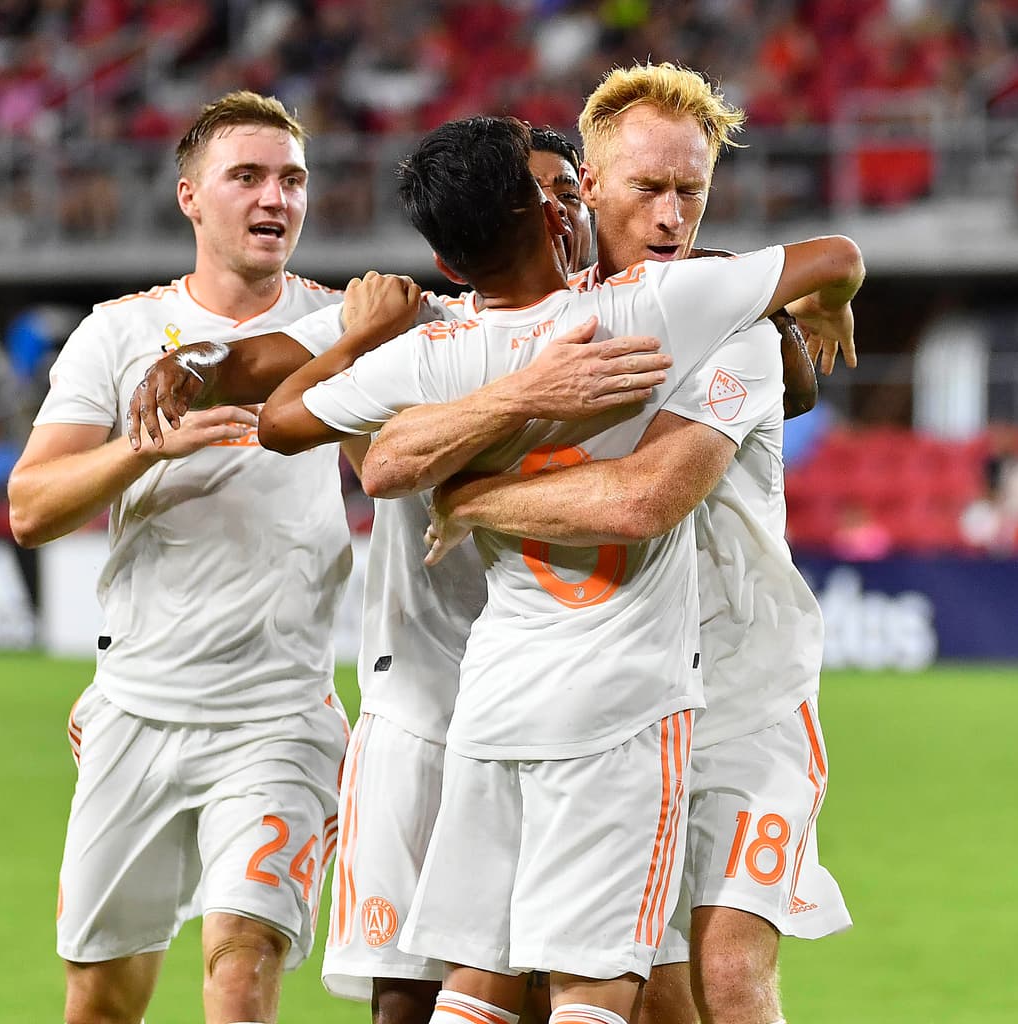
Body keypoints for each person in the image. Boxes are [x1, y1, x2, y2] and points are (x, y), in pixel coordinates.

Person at [253, 115, 863, 1024]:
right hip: (614, 697)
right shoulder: (643, 315)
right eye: (645, 189)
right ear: (579, 195)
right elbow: (393, 465)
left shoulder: (696, 310)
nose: (669, 214)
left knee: (706, 977)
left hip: (731, 693)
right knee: (605, 987)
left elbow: (375, 460)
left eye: (688, 192)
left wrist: (470, 498)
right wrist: (526, 395)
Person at [125, 125, 670, 1024]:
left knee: (565, 983)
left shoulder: (635, 320)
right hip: (421, 702)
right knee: (409, 997)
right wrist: (192, 358)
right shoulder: (421, 329)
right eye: (544, 194)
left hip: (572, 703)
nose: (563, 210)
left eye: (573, 192)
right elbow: (261, 368)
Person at [6, 91, 354, 1024]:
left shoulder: (344, 331)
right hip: (140, 714)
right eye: (246, 176)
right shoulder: (117, 335)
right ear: (190, 196)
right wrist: (142, 451)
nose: (273, 197)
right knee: (103, 1002)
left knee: (241, 965)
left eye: (291, 179)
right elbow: (30, 507)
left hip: (280, 716)